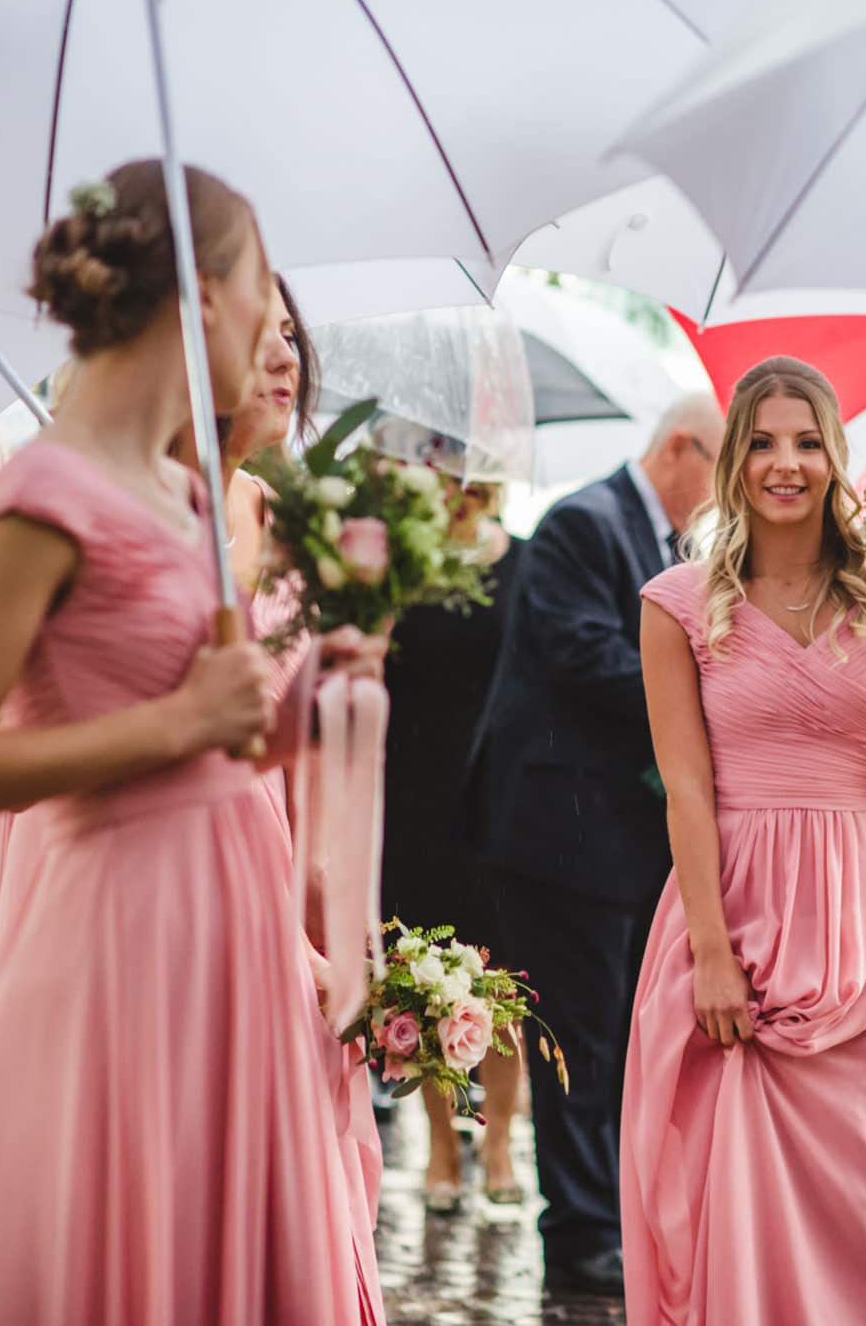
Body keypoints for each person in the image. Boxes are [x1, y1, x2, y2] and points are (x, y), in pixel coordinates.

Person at [0, 159, 387, 1323]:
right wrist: (176, 720)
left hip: (235, 930)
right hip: (117, 933)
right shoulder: (37, 500)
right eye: (261, 284)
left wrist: (315, 692)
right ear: (202, 297)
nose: (275, 321)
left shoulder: (197, 508)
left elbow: (227, 740)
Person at [622, 356, 866, 1324]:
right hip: (736, 932)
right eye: (760, 442)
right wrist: (710, 957)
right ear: (731, 462)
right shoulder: (674, 604)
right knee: (739, 1216)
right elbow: (684, 788)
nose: (784, 463)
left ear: (835, 456)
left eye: (806, 442)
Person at [468, 391, 721, 1293]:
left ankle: (606, 1219)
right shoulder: (584, 521)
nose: (720, 491)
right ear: (682, 447)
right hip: (561, 834)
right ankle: (579, 1235)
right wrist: (709, 694)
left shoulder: (658, 541)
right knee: (580, 1037)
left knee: (615, 1034)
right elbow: (583, 656)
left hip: (614, 840)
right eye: (720, 467)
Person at [380, 475, 525, 1212]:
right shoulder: (403, 566)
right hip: (411, 800)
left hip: (499, 801)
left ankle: (496, 1139)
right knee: (419, 984)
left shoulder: (524, 564)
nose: (460, 484)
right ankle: (441, 1144)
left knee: (499, 988)